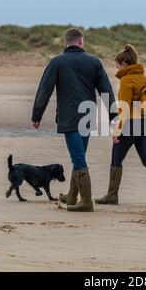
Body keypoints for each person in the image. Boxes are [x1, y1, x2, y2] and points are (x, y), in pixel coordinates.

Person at [31, 28, 116, 212]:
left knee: (78, 159)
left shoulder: (57, 62)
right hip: (87, 116)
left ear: (66, 43)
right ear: (81, 42)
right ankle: (72, 196)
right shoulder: (94, 62)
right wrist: (113, 116)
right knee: (79, 156)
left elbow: (44, 90)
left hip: (69, 117)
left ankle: (86, 201)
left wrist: (37, 115)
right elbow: (106, 91)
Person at [95, 44, 146, 207]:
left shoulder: (126, 80)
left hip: (131, 124)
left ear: (124, 64)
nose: (116, 69)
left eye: (117, 65)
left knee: (116, 159)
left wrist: (117, 130)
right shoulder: (145, 78)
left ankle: (112, 195)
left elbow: (123, 107)